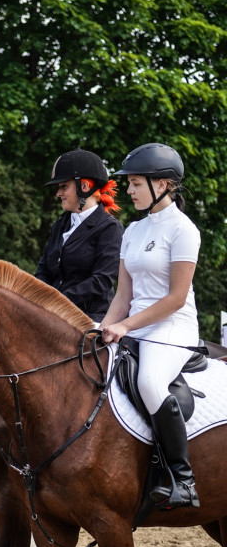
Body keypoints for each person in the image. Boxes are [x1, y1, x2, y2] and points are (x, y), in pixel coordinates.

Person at [100, 142, 200, 510]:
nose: (128, 190)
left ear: (164, 185)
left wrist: (125, 326)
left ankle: (182, 477)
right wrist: (101, 329)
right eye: (129, 183)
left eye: (136, 183)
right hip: (135, 321)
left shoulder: (183, 230)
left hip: (173, 324)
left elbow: (175, 298)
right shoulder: (132, 231)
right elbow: (122, 295)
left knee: (149, 381)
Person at [35, 149, 125, 322]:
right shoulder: (60, 226)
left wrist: (57, 300)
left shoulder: (110, 228)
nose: (58, 193)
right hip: (52, 313)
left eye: (63, 187)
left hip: (90, 317)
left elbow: (101, 281)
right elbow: (44, 270)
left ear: (84, 186)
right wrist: (39, 296)